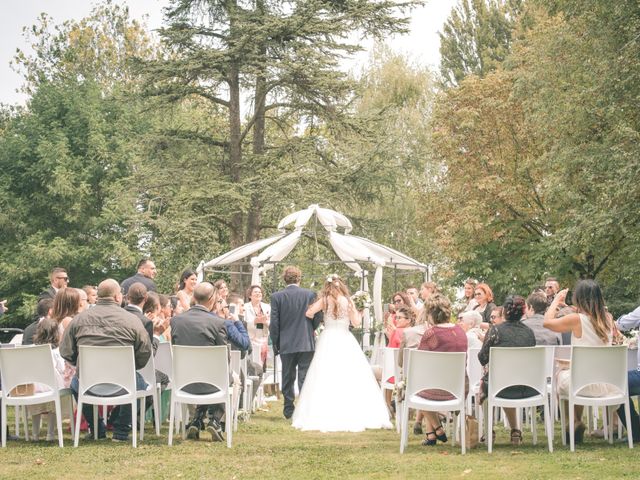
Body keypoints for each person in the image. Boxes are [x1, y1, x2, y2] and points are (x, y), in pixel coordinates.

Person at [292, 273, 391, 432]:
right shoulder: (349, 301)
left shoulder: (324, 300)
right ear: (342, 286)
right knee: (349, 373)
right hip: (345, 338)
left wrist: (322, 319)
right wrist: (361, 313)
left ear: (328, 286)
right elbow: (356, 323)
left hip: (328, 337)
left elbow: (309, 313)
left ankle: (322, 411)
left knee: (324, 373)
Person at [60, 279, 152, 442]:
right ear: (118, 297)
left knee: (75, 383)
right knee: (142, 387)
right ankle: (121, 430)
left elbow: (66, 351)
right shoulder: (133, 321)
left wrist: (80, 364)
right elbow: (145, 352)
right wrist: (133, 366)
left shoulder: (79, 320)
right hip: (124, 383)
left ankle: (96, 429)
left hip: (89, 383)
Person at [543, 280, 614, 444]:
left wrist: (554, 301)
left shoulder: (576, 319)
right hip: (606, 385)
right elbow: (588, 315)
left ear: (579, 298)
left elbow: (547, 322)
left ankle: (572, 421)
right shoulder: (608, 319)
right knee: (572, 375)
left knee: (561, 375)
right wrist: (566, 305)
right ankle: (575, 421)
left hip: (582, 384)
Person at [170, 282, 228, 441]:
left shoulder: (176, 321)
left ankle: (196, 419)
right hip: (211, 384)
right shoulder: (218, 322)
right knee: (231, 378)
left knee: (208, 376)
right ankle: (215, 420)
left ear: (193, 297)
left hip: (183, 383)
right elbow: (224, 359)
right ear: (211, 299)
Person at [478, 295, 536, 446]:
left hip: (499, 387)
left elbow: (483, 358)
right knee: (503, 380)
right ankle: (515, 430)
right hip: (526, 387)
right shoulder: (529, 333)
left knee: (486, 383)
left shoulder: (495, 330)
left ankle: (489, 430)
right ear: (523, 313)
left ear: (504, 312)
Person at [269, 266, 322, 420]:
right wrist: (310, 329)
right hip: (306, 341)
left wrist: (277, 342)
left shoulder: (276, 297)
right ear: (299, 278)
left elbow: (275, 323)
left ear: (284, 279)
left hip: (286, 342)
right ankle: (304, 408)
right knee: (304, 375)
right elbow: (318, 316)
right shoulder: (310, 294)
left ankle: (288, 408)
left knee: (287, 376)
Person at [417, 293, 468, 446]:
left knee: (412, 387)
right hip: (459, 387)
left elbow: (420, 361)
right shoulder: (461, 331)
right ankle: (431, 435)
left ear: (430, 313)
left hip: (438, 389)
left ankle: (438, 429)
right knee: (425, 384)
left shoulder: (431, 333)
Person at [31, 318, 67, 441]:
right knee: (53, 408)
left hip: (35, 386)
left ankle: (35, 434)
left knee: (35, 409)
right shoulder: (56, 351)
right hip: (53, 385)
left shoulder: (31, 349)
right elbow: (62, 368)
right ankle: (50, 434)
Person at [244, 284, 270, 366]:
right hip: (251, 338)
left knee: (262, 363)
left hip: (263, 338)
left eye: (260, 292)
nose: (258, 293)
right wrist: (255, 321)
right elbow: (244, 323)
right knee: (252, 363)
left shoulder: (267, 307)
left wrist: (265, 322)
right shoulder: (245, 307)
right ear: (250, 295)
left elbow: (272, 322)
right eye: (255, 292)